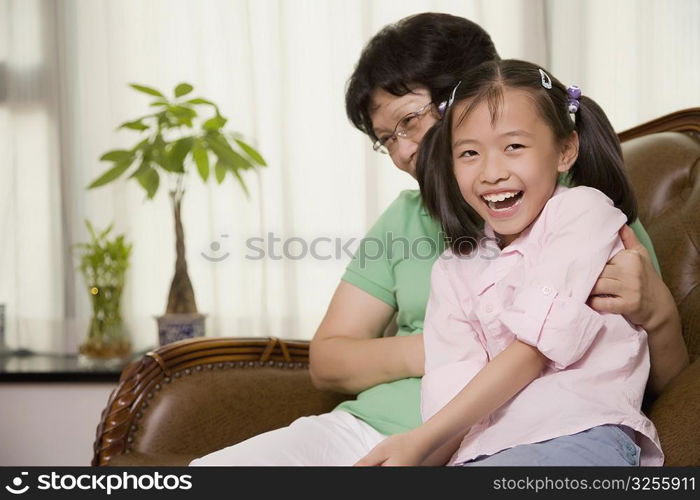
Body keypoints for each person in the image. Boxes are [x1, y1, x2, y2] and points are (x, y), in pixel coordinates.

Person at [190, 13, 686, 466]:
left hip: (528, 435)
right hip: (408, 435)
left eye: (409, 121)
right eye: (386, 138)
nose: (404, 151)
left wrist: (657, 311)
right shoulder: (434, 242)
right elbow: (329, 359)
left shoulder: (584, 211)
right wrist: (453, 348)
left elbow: (608, 353)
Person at [356, 59, 664, 467]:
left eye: (514, 147)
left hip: (578, 437)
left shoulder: (582, 213)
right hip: (482, 454)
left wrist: (418, 440)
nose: (492, 172)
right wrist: (412, 458)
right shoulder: (452, 270)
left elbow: (535, 348)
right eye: (468, 153)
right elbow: (453, 410)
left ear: (565, 150)